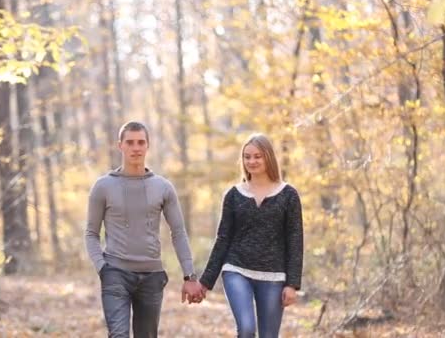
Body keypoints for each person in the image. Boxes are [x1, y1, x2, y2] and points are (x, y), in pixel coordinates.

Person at [85, 121, 202, 338]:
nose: (136, 148)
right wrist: (103, 268)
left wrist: (190, 275)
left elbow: (178, 232)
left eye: (141, 142)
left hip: (152, 276)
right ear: (120, 145)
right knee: (118, 335)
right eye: (130, 142)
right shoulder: (103, 186)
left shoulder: (163, 187)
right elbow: (91, 233)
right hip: (115, 273)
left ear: (148, 146)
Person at [196, 133, 304, 338]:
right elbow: (223, 239)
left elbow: (295, 240)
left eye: (257, 156)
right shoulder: (234, 195)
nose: (252, 161)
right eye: (247, 157)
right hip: (237, 269)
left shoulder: (289, 195)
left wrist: (292, 284)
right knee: (246, 329)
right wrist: (205, 282)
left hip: (273, 275)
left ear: (268, 158)